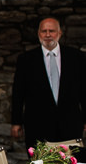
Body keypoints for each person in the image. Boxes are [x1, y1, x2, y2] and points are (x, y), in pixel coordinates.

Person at [11, 17, 86, 151]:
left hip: (70, 122)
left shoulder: (76, 57)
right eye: (43, 31)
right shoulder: (26, 60)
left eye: (51, 31)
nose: (47, 35)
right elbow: (18, 92)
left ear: (59, 33)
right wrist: (16, 122)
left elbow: (84, 90)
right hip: (38, 123)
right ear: (38, 33)